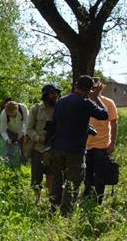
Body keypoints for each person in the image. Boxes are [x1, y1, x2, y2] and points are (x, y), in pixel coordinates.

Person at [46, 75, 109, 216]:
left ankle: (53, 209)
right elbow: (104, 115)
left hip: (57, 147)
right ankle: (66, 213)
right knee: (73, 182)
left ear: (76, 85)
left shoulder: (61, 101)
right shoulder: (85, 102)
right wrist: (97, 97)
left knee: (57, 179)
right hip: (75, 150)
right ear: (89, 90)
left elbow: (56, 122)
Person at [83, 77, 118, 204]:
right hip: (86, 145)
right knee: (87, 173)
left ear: (101, 87)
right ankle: (86, 196)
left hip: (102, 144)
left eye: (96, 87)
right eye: (91, 87)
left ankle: (98, 200)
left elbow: (114, 124)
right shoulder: (84, 102)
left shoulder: (108, 103)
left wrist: (112, 143)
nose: (93, 89)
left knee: (100, 175)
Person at [26, 83, 60, 203]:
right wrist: (38, 138)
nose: (55, 95)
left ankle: (50, 200)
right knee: (36, 176)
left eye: (56, 93)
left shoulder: (60, 108)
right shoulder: (36, 109)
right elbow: (29, 129)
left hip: (54, 148)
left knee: (52, 174)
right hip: (39, 148)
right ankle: (37, 199)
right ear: (45, 95)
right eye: (52, 93)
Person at [0, 99, 29, 165]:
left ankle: (24, 165)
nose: (12, 116)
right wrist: (7, 139)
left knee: (24, 149)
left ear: (17, 109)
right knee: (9, 150)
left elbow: (28, 123)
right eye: (10, 115)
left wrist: (23, 132)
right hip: (10, 131)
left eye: (13, 115)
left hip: (22, 130)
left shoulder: (23, 108)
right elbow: (2, 130)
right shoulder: (3, 114)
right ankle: (10, 165)